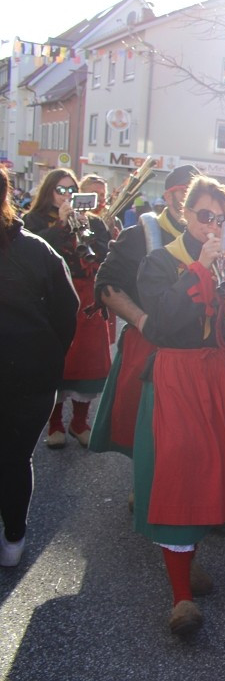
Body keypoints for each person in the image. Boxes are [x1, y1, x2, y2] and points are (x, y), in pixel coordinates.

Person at [134, 175, 225, 635]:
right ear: (186, 214)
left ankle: (189, 559)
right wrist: (202, 270)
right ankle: (181, 597)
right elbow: (163, 322)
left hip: (221, 374)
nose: (212, 226)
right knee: (181, 470)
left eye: (221, 219)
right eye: (205, 216)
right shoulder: (160, 261)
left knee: (215, 467)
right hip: (179, 374)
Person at [90, 164, 199, 457]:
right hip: (148, 342)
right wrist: (142, 320)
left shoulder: (209, 237)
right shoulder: (139, 234)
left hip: (195, 349)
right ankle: (143, 482)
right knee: (143, 424)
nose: (189, 201)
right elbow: (106, 285)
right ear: (168, 195)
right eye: (183, 192)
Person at [0, 166, 78, 567]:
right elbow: (68, 309)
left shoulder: (36, 247)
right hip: (33, 371)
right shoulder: (37, 248)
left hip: (30, 371)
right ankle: (13, 539)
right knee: (15, 458)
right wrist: (50, 354)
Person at [23, 168, 112, 449]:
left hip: (87, 298)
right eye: (60, 190)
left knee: (86, 361)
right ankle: (55, 424)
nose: (66, 195)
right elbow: (35, 252)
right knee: (57, 359)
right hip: (52, 297)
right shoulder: (33, 219)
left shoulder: (93, 221)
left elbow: (105, 255)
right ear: (49, 191)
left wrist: (88, 228)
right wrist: (61, 226)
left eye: (71, 190)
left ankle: (80, 422)